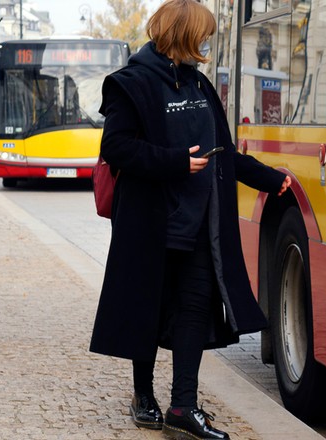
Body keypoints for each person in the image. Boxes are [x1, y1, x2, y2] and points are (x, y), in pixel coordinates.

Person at [88, 1, 291, 439]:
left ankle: (183, 405)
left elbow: (224, 153)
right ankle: (143, 395)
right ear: (183, 34)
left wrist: (271, 179)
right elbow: (116, 147)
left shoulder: (199, 84)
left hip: (202, 223)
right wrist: (175, 162)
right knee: (147, 308)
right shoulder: (130, 84)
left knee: (195, 308)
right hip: (151, 222)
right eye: (202, 35)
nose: (206, 42)